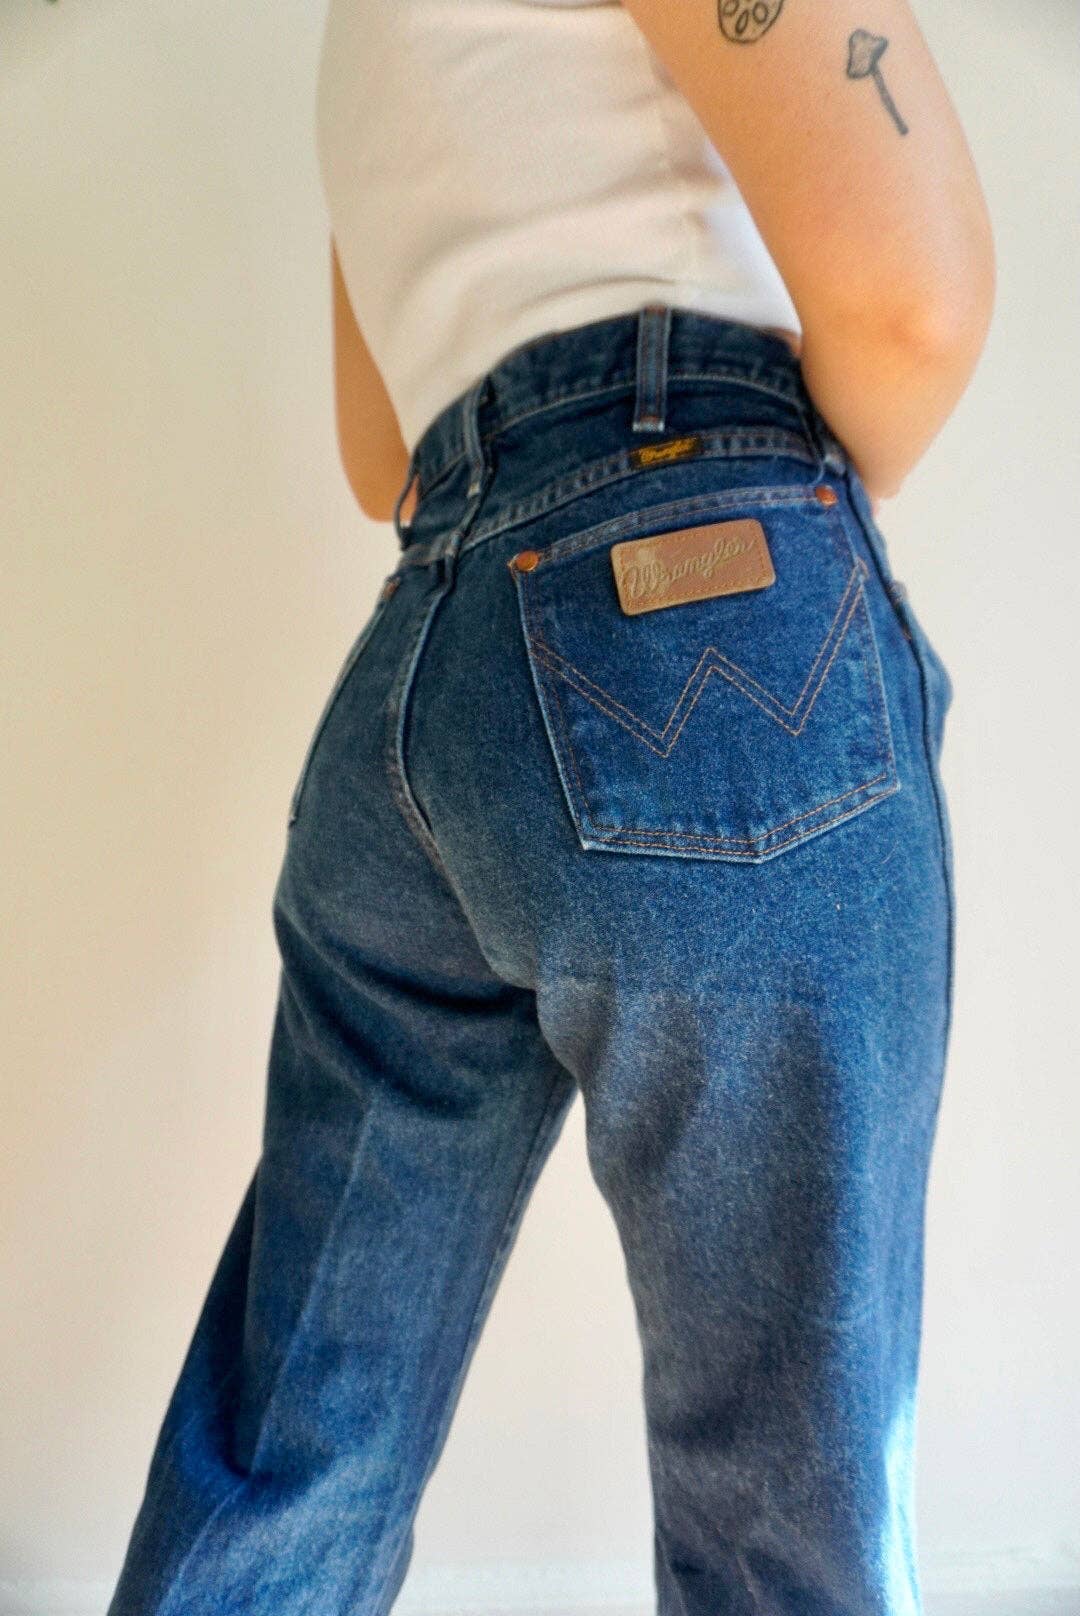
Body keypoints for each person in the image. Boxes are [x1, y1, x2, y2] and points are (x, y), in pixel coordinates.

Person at [106, 0, 994, 1610]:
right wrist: (761, 548)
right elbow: (912, 302)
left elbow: (379, 451)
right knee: (787, 1504)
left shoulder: (364, 36)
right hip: (699, 593)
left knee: (297, 1438)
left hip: (424, 669)